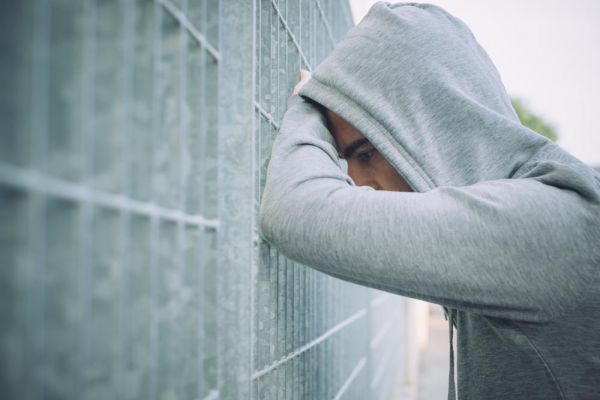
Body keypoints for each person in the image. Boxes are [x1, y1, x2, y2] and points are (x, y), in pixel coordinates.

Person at [258, 2, 600, 399]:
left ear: (433, 122)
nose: (354, 181)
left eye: (366, 152)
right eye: (346, 158)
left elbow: (295, 208)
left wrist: (308, 103)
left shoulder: (546, 225)